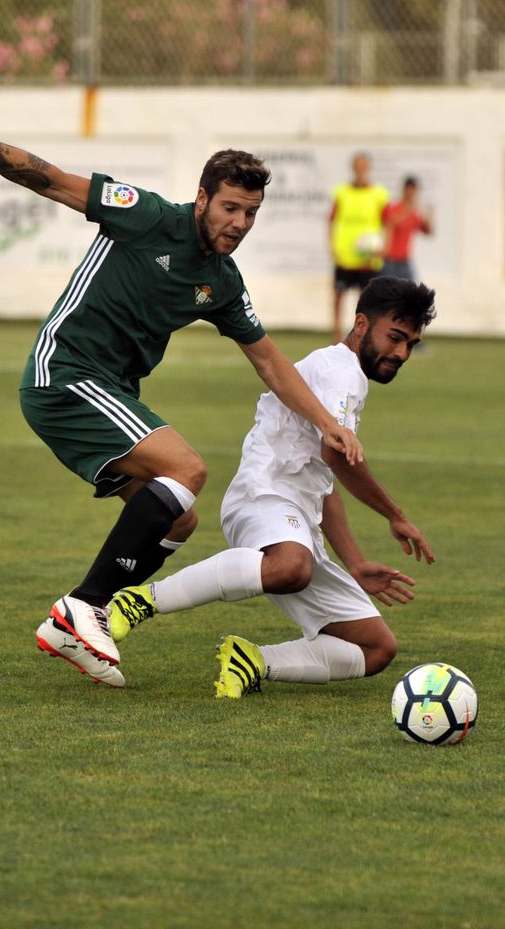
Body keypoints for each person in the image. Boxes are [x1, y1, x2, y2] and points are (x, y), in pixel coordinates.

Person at [0, 81, 363, 689]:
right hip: (68, 371)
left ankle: (84, 618)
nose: (238, 223)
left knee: (177, 522)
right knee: (187, 468)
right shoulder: (147, 214)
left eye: (251, 214)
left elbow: (270, 362)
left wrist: (329, 423)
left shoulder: (222, 281)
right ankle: (84, 606)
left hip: (105, 388)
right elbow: (48, 178)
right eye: (230, 208)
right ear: (202, 198)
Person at [106, 276, 438, 698]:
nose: (402, 352)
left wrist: (354, 561)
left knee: (376, 648)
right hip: (264, 497)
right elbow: (338, 456)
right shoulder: (341, 371)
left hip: (297, 520)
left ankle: (255, 661)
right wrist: (396, 516)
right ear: (360, 324)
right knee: (290, 568)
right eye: (395, 337)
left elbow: (324, 478)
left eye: (410, 343)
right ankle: (140, 601)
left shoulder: (346, 376)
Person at [328, 151, 388, 340]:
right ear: (353, 168)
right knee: (339, 296)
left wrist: (383, 247)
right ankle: (337, 333)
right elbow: (331, 220)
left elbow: (388, 223)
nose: (361, 170)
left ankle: (365, 333)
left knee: (367, 299)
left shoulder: (379, 194)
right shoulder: (342, 192)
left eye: (364, 166)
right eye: (357, 166)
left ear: (368, 168)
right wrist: (332, 246)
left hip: (368, 258)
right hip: (345, 256)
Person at [380, 176, 434, 282]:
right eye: (411, 189)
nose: (413, 193)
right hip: (390, 262)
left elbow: (427, 232)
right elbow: (391, 223)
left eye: (415, 190)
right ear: (405, 189)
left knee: (412, 294)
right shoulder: (393, 208)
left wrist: (429, 218)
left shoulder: (415, 212)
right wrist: (409, 210)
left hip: (405, 261)